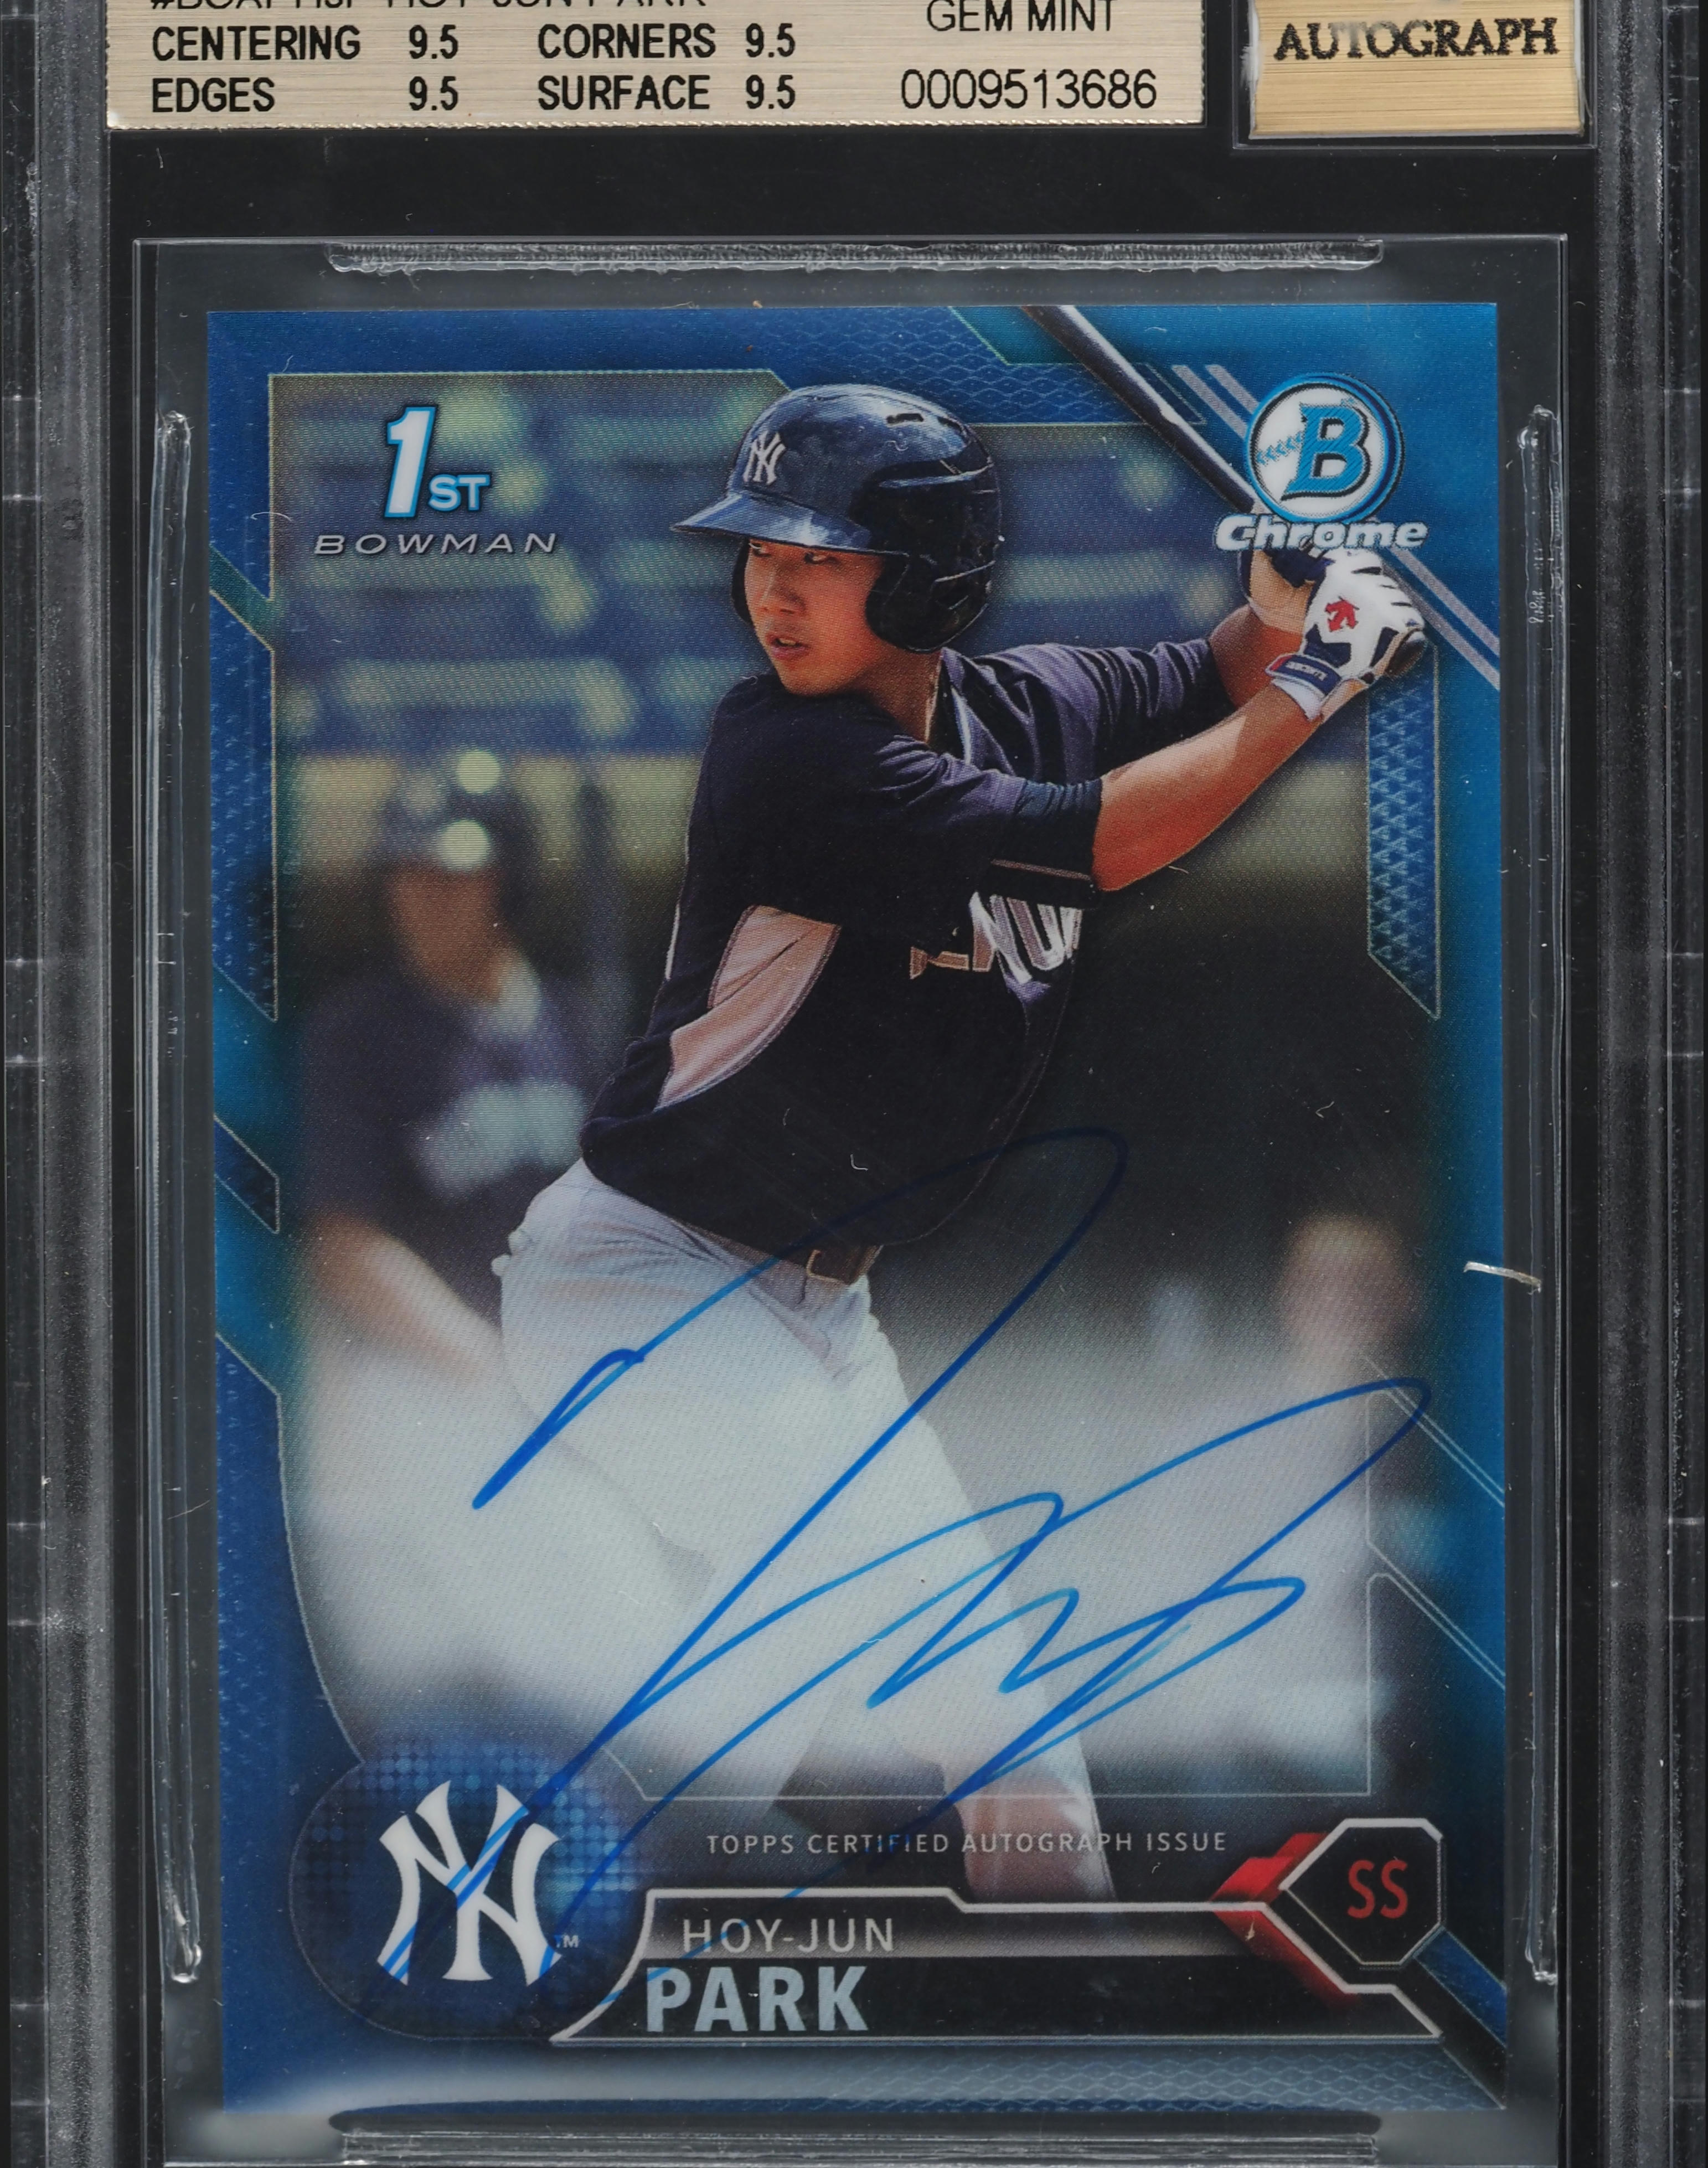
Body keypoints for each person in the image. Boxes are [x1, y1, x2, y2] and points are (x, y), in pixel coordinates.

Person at [491, 385, 1424, 1900]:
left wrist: (1278, 608)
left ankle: (1067, 2034)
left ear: (926, 578)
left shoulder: (1031, 701)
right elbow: (1110, 839)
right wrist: (1321, 676)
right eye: (763, 554)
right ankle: (527, 1888)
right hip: (642, 1285)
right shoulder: (788, 756)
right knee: (845, 1629)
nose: (772, 589)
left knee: (1009, 1755)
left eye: (819, 558)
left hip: (818, 1320)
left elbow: (1210, 670)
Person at [286, 759, 598, 1752]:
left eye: (452, 874)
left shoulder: (579, 1026)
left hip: (575, 1394)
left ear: (510, 881)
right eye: (405, 872)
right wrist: (493, 1372)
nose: (420, 897)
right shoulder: (354, 1038)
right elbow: (345, 1248)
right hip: (430, 1396)